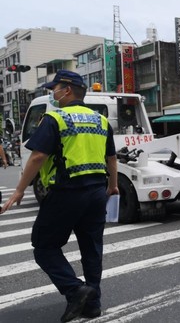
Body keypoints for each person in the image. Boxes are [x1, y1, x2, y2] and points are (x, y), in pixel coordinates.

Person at [0, 70, 119, 322]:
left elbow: (38, 156)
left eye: (54, 88)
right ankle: (93, 304)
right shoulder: (101, 120)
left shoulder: (55, 118)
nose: (52, 93)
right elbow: (111, 157)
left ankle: (75, 290)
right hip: (97, 192)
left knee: (44, 248)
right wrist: (113, 186)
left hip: (67, 193)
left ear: (67, 90)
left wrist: (20, 189)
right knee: (91, 249)